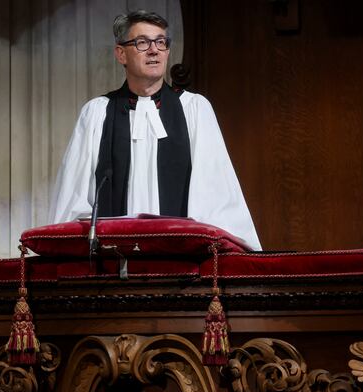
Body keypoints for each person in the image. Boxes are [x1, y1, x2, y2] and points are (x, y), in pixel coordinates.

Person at [48, 10, 262, 250]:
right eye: (142, 43)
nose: (154, 50)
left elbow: (216, 197)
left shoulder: (194, 109)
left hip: (180, 266)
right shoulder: (97, 113)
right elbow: (73, 201)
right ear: (121, 53)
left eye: (161, 42)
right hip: (111, 265)